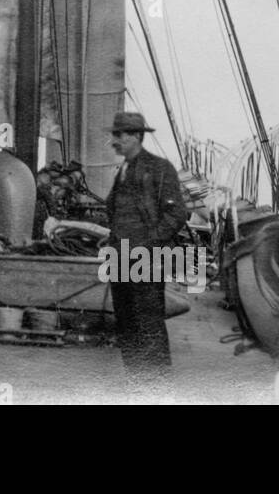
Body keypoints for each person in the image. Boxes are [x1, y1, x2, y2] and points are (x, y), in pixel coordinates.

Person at [105, 111, 188, 387]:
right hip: (119, 258)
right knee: (127, 324)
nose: (114, 141)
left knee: (148, 323)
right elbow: (117, 212)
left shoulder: (159, 168)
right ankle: (137, 385)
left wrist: (148, 244)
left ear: (136, 137)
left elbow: (175, 215)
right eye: (115, 134)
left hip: (143, 257)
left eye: (119, 135)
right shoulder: (124, 171)